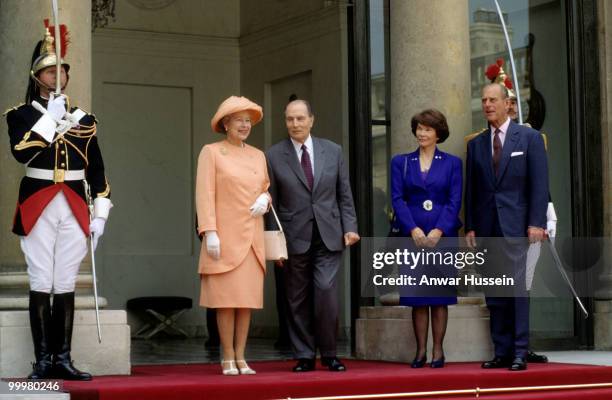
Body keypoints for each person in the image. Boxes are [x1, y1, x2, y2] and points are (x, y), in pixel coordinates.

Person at [5, 24, 112, 380]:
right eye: (52, 70)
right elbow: (22, 153)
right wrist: (49, 119)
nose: (59, 75)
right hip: (38, 203)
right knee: (41, 280)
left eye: (62, 70)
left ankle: (62, 359)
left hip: (74, 205)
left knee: (65, 282)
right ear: (37, 77)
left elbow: (96, 171)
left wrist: (101, 214)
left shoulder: (84, 119)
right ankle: (42, 361)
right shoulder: (20, 115)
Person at [466, 60, 554, 364]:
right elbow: (473, 190)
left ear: (508, 104)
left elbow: (539, 187)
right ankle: (501, 352)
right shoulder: (476, 145)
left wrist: (536, 223)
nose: (488, 105)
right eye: (484, 101)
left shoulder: (529, 139)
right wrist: (471, 227)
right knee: (495, 294)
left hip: (518, 227)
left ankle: (519, 352)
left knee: (517, 292)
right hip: (488, 229)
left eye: (493, 100)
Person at [266, 99, 359, 372]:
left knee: (326, 293)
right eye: (290, 119)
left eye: (300, 118)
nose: (295, 124)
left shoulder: (333, 150)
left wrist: (350, 226)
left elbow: (344, 192)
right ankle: (305, 354)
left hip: (329, 234)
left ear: (311, 120)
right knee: (296, 298)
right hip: (293, 237)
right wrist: (275, 243)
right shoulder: (273, 155)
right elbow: (271, 204)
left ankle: (329, 353)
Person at [196, 95, 270, 375]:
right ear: (225, 123)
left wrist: (266, 199)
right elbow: (205, 194)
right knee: (225, 301)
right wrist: (209, 232)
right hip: (224, 237)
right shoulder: (212, 152)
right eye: (239, 120)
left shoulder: (258, 155)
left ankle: (241, 356)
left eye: (248, 121)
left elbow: (264, 187)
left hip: (252, 236)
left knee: (246, 301)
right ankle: (226, 356)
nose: (244, 125)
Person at [390, 109, 462, 369]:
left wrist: (438, 231)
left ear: (438, 133)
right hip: (413, 237)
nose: (422, 133)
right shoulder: (401, 162)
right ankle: (420, 351)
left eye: (428, 129)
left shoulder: (452, 163)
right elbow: (397, 199)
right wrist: (414, 230)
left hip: (442, 236)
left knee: (439, 296)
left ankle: (438, 350)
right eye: (419, 128)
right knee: (417, 297)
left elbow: (455, 201)